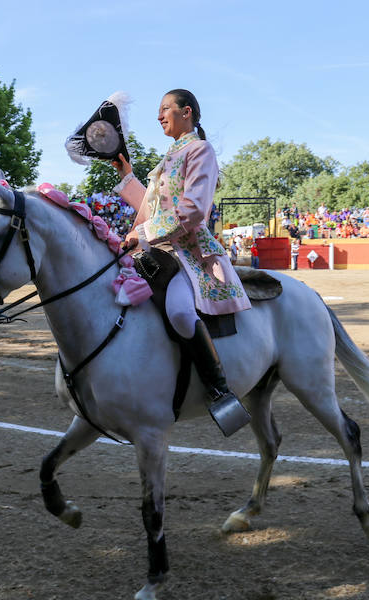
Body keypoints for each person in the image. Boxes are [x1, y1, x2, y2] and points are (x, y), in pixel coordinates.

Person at [111, 88, 251, 436]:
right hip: (159, 251)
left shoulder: (200, 150)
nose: (159, 116)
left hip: (190, 254)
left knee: (179, 311)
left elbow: (192, 211)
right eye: (158, 110)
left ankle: (219, 389)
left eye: (165, 109)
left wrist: (140, 234)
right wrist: (127, 177)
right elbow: (152, 210)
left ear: (186, 112)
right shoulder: (166, 160)